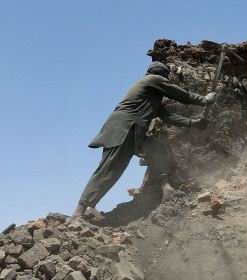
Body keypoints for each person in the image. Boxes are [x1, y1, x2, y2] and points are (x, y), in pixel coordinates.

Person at [73, 61, 218, 217]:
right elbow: (180, 94)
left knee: (157, 149)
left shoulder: (152, 96)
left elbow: (168, 117)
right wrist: (204, 100)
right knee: (109, 170)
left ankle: (166, 188)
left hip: (136, 132)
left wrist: (194, 123)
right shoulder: (152, 79)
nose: (166, 81)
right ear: (160, 75)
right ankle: (79, 211)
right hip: (124, 129)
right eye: (166, 78)